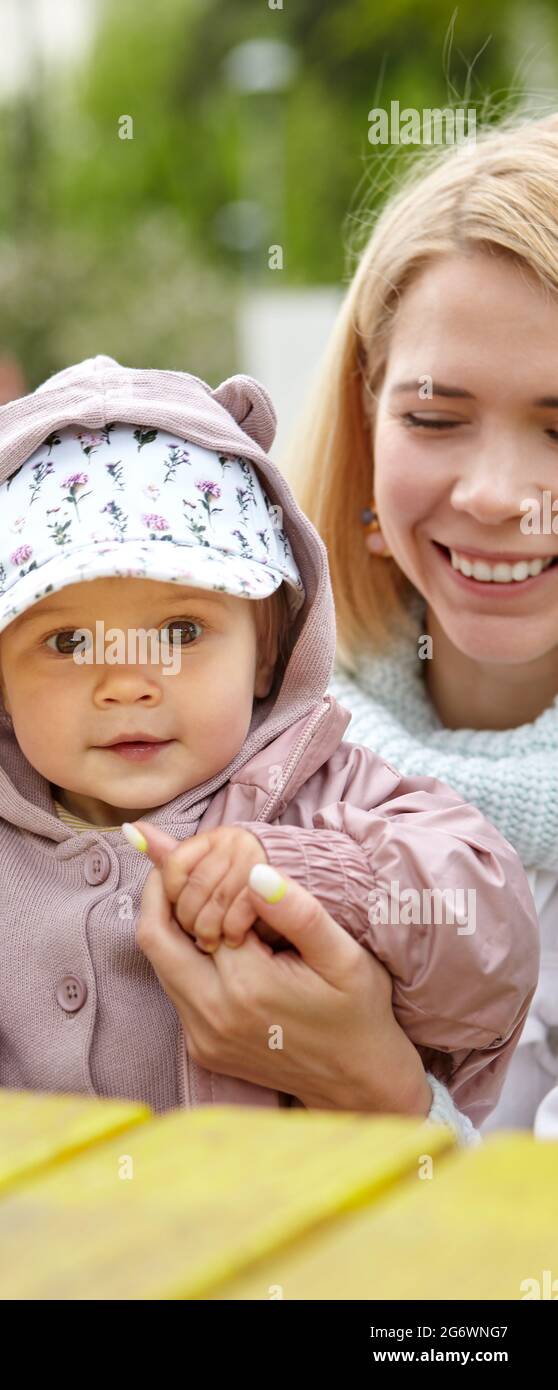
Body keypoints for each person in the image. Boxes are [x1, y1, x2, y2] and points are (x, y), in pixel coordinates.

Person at [0, 356, 540, 1145]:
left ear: (269, 644)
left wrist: (320, 876)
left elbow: (486, 951)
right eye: (66, 644)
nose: (127, 683)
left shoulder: (333, 798)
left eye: (180, 630)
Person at [295, 112, 558, 1138]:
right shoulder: (233, 730)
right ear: (366, 422)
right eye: (436, 419)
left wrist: (382, 1091)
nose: (496, 495)